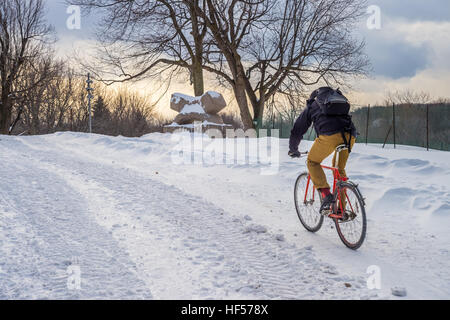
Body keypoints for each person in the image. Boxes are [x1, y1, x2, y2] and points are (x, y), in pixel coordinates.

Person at [288, 87, 357, 214]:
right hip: (350, 135)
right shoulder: (336, 100)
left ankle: (326, 195)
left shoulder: (312, 105)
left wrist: (293, 149)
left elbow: (298, 129)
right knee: (339, 169)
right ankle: (341, 209)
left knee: (312, 162)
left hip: (329, 137)